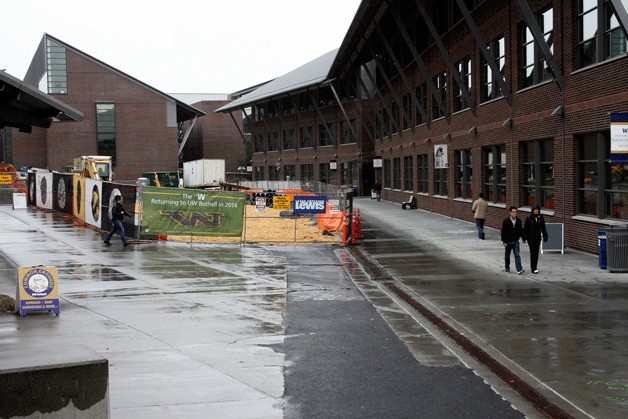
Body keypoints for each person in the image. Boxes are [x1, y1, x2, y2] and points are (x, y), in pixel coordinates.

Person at [500, 206, 526, 274]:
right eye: (513, 212)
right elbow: (503, 231)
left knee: (517, 255)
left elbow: (521, 230)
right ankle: (507, 268)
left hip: (515, 241)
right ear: (510, 212)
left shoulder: (518, 221)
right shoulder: (506, 221)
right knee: (507, 256)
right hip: (508, 241)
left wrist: (523, 238)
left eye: (516, 212)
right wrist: (504, 241)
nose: (515, 213)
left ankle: (519, 269)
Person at [524, 204, 548, 274]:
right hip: (530, 238)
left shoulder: (541, 218)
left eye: (537, 210)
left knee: (536, 252)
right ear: (532, 210)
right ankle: (533, 268)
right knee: (533, 252)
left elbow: (543, 228)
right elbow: (526, 228)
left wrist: (545, 236)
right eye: (535, 210)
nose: (536, 211)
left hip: (537, 238)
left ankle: (535, 266)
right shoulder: (529, 218)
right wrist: (524, 237)